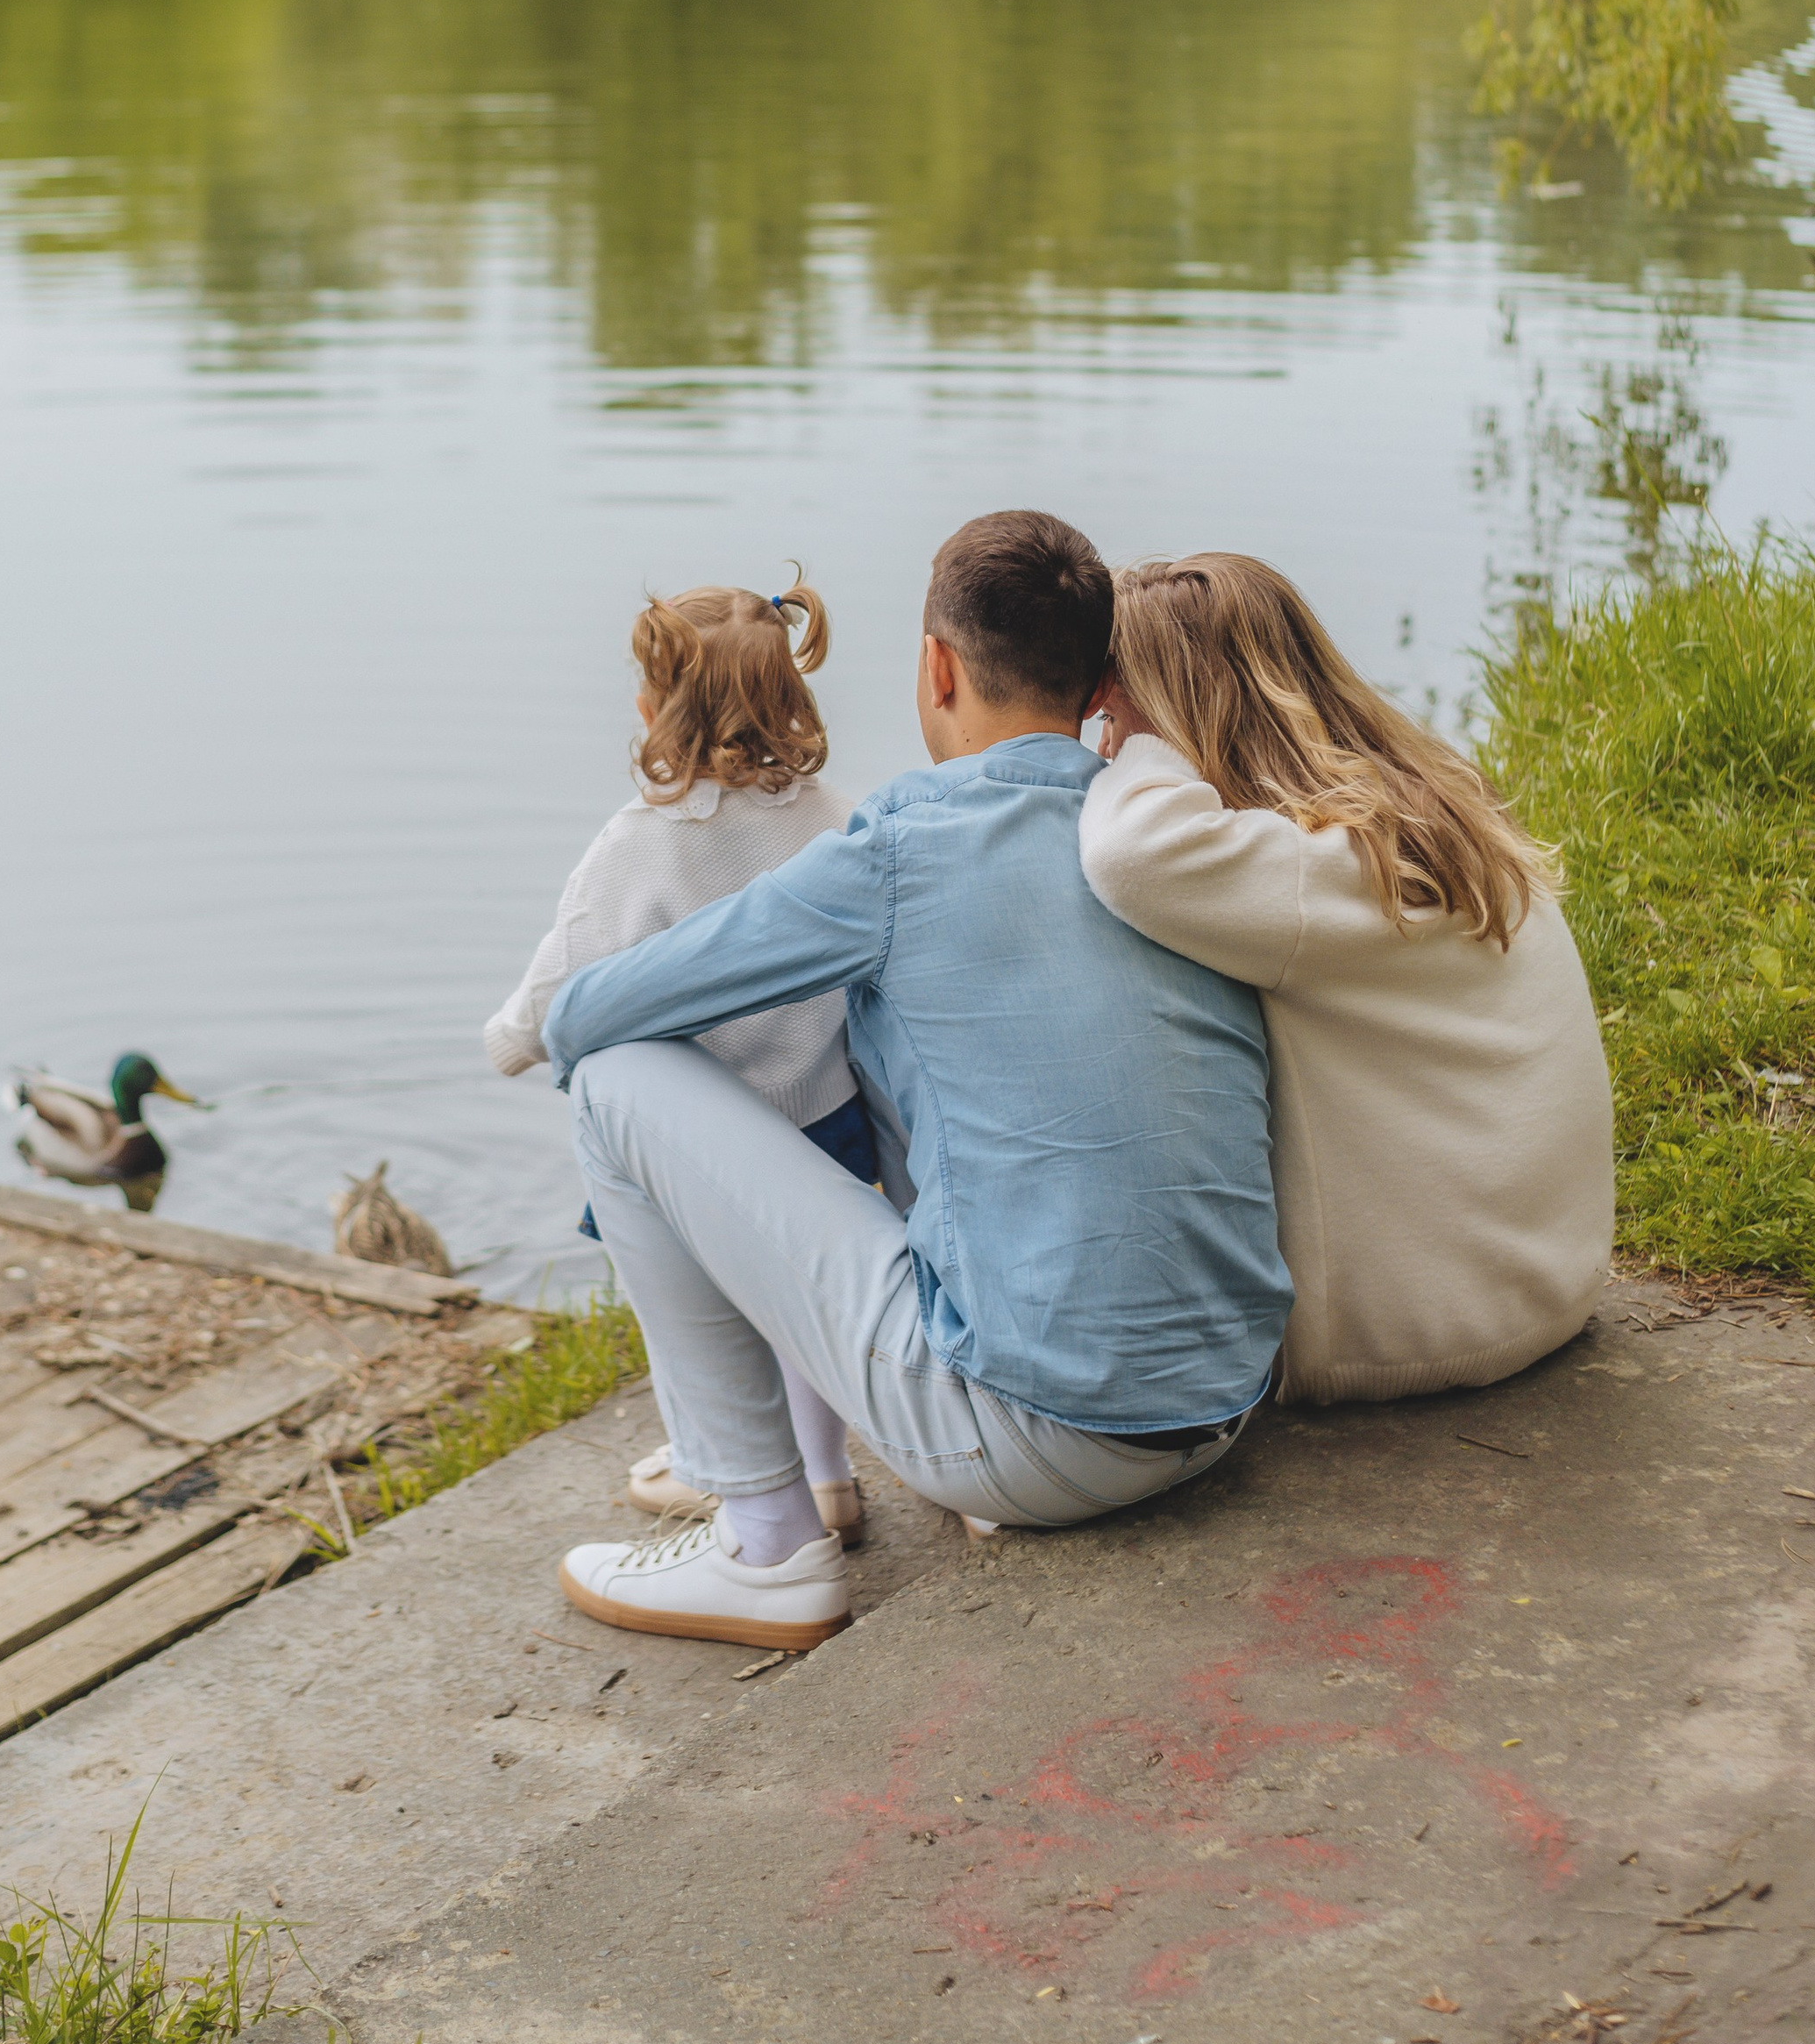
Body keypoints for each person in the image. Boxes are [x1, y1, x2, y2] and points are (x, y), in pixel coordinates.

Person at [537, 512, 1291, 1653]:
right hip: (1224, 1404)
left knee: (616, 1083)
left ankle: (765, 1541)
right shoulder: (1159, 825)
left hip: (1040, 1444)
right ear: (1095, 678)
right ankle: (820, 1475)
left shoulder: (898, 849)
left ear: (937, 668)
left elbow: (586, 1017)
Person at [1078, 553, 1613, 1407]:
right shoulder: (1420, 816)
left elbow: (1125, 855)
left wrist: (1141, 747)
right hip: (1547, 1279)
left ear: (1176, 705)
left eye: (1109, 709)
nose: (1101, 740)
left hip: (1420, 1329)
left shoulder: (1311, 870)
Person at [483, 580, 874, 1540]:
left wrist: (505, 1043)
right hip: (828, 1117)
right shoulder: (834, 816)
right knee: (805, 1307)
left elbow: (560, 985)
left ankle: (729, 1466)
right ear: (792, 698)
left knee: (696, 1309)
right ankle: (827, 1478)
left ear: (655, 709)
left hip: (698, 1145)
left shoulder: (641, 846)